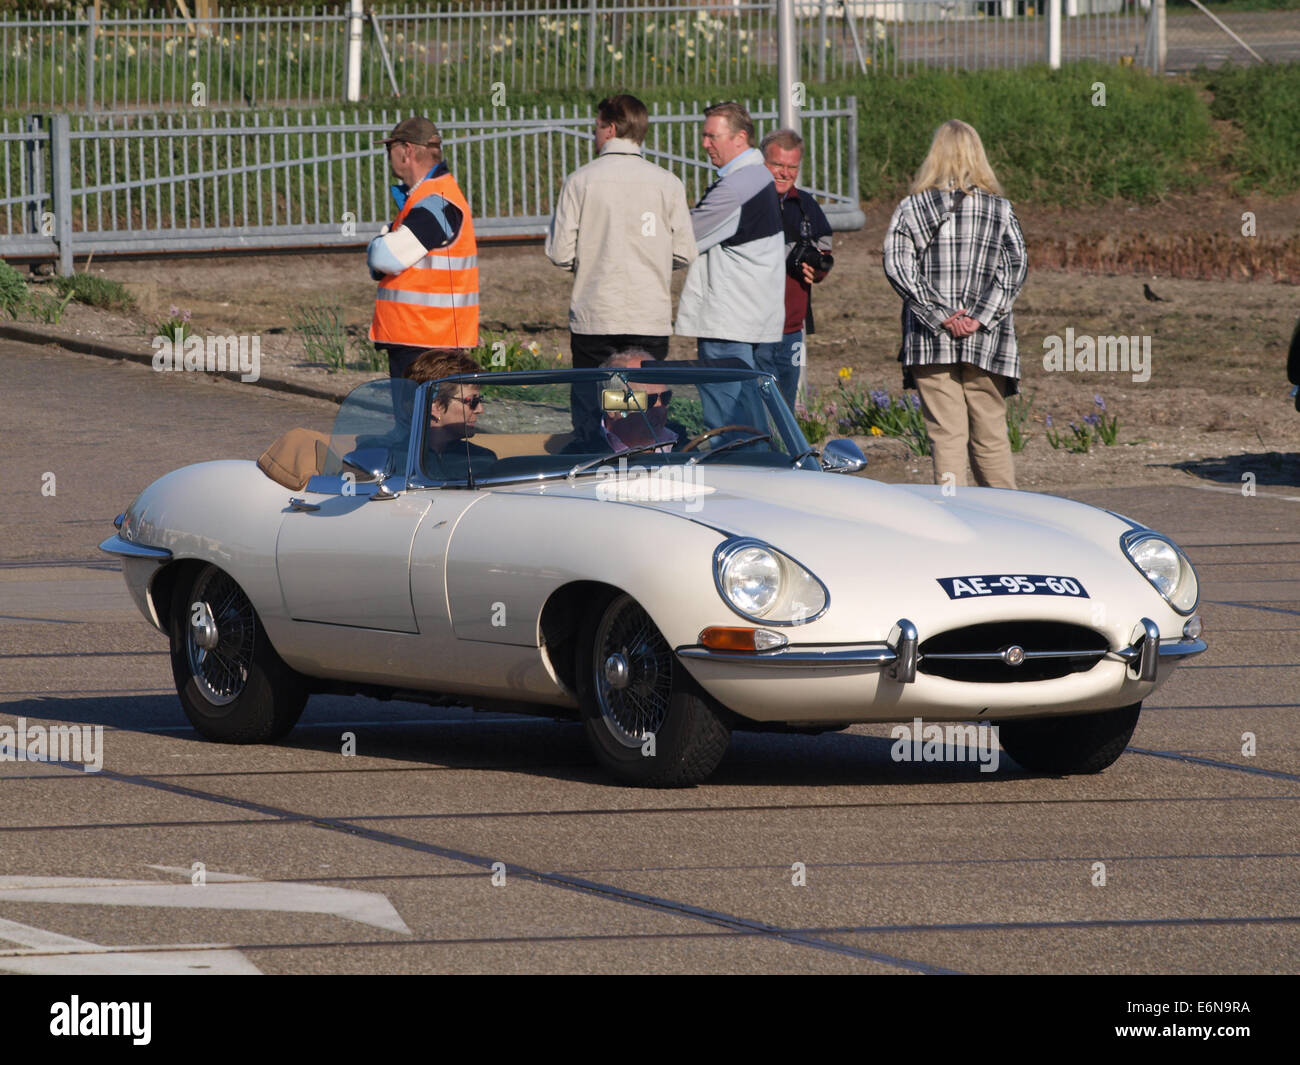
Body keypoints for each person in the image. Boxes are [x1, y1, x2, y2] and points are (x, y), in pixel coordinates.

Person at [882, 119, 1027, 490]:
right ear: (978, 156)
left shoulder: (910, 208)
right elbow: (1016, 267)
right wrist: (979, 317)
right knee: (991, 434)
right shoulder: (999, 209)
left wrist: (941, 315)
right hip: (988, 340)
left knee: (946, 435)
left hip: (930, 340)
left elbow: (898, 266)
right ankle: (1008, 518)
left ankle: (954, 515)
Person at [545, 94, 697, 443]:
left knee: (594, 403)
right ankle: (642, 458)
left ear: (610, 128)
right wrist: (652, 262)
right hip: (648, 314)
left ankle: (592, 461)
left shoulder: (581, 180)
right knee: (645, 403)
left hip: (596, 314)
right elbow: (685, 252)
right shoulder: (667, 182)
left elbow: (560, 252)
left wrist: (593, 263)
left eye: (596, 127)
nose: (593, 134)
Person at [674, 101, 784, 429]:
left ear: (740, 138)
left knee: (728, 421)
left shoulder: (736, 187)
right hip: (748, 314)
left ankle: (740, 471)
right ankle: (763, 469)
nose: (705, 144)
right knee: (749, 411)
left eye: (712, 136)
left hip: (727, 319)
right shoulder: (756, 178)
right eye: (704, 136)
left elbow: (685, 238)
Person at [368, 117, 479, 380]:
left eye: (389, 149)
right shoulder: (430, 197)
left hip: (425, 343)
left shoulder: (436, 200)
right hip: (424, 337)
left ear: (406, 151)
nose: (388, 157)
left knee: (420, 420)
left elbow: (385, 257)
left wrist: (376, 244)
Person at [760, 128, 834, 410]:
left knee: (785, 409)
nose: (784, 173)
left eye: (792, 167)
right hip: (755, 329)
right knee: (759, 408)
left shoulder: (806, 205)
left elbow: (824, 248)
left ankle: (782, 455)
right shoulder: (748, 202)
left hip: (792, 328)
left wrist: (819, 270)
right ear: (762, 162)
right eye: (777, 164)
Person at [405, 348, 496, 475]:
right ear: (436, 407)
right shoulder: (393, 460)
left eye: (480, 400)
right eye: (472, 402)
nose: (480, 410)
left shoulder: (481, 460)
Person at [596, 351, 678, 453]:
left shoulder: (685, 449)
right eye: (648, 401)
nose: (660, 409)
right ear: (612, 407)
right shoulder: (582, 458)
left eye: (665, 397)